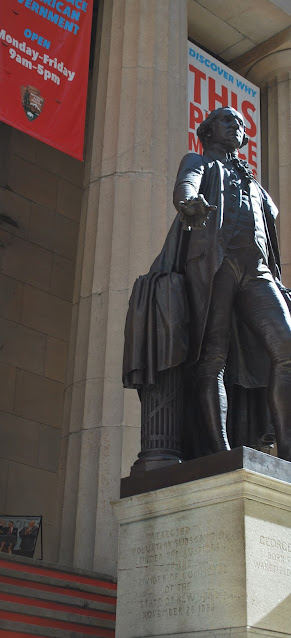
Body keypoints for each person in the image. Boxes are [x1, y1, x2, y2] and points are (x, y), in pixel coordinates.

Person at [123, 106, 291, 460]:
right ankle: (220, 449)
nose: (236, 126)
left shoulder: (254, 183)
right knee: (212, 355)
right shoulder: (200, 162)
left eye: (240, 123)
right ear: (208, 131)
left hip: (257, 270)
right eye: (227, 120)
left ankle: (286, 448)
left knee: (286, 346)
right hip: (214, 262)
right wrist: (188, 202)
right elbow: (185, 185)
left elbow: (270, 228)